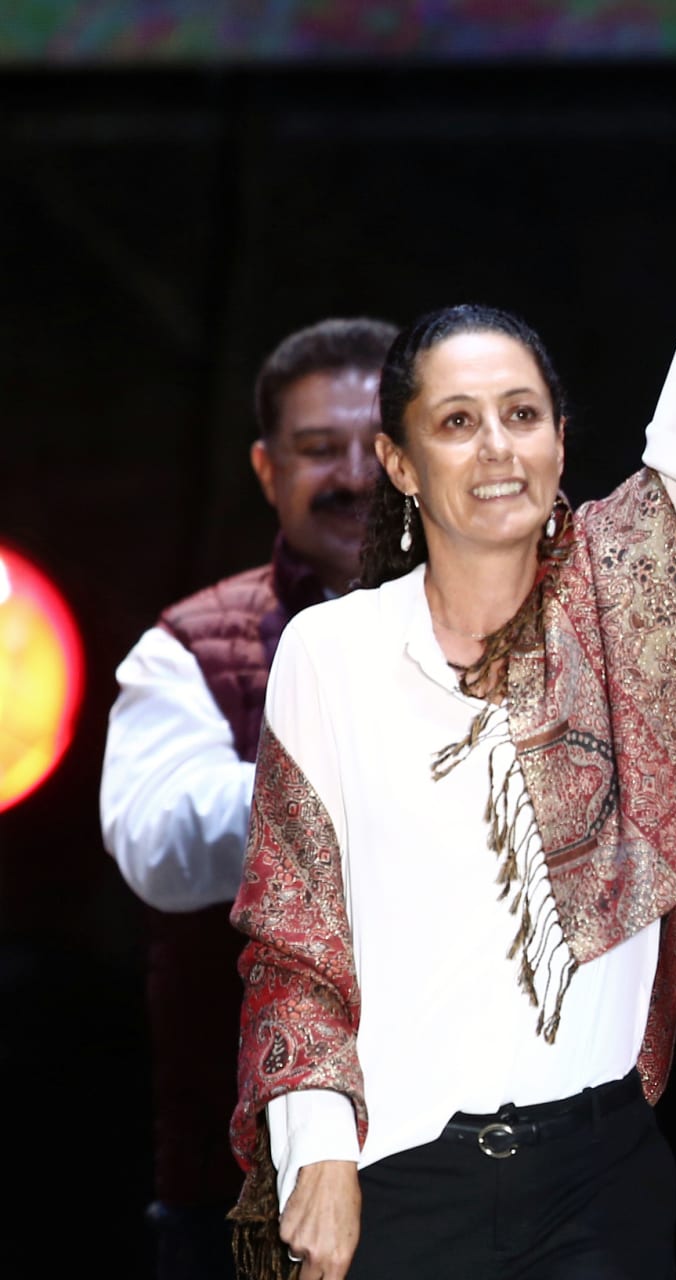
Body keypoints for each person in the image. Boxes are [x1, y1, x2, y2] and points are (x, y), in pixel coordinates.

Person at [225, 5, 676, 1277]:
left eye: (522, 414)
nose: (497, 447)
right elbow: (292, 935)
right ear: (398, 460)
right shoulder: (332, 653)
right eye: (457, 421)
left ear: (558, 441)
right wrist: (311, 1142)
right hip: (395, 1180)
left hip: (597, 1171)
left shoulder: (621, 591)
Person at [101, 315, 396, 1280]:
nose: (353, 473)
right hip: (241, 1195)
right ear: (269, 472)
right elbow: (160, 848)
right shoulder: (187, 646)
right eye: (319, 450)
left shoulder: (521, 630)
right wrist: (356, 767)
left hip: (488, 1178)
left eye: (378, 443)